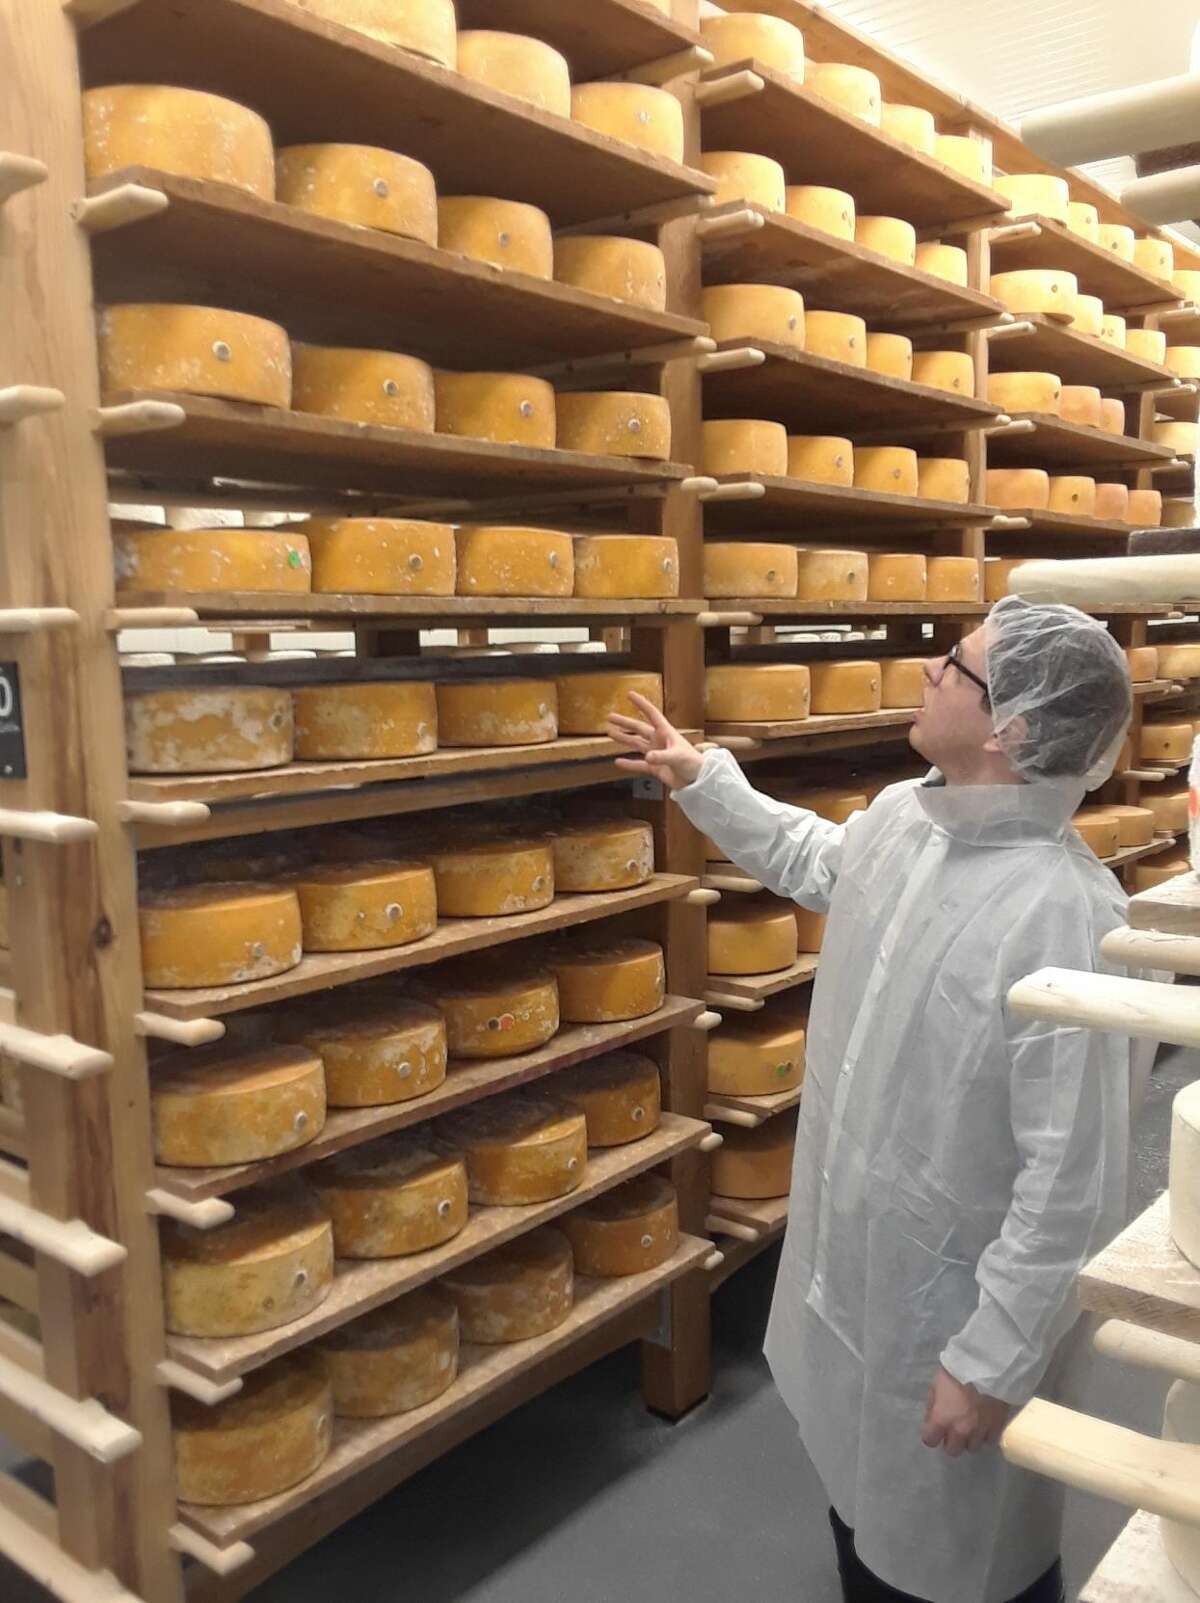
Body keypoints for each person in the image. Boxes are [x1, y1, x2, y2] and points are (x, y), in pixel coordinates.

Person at [607, 596, 1144, 1603]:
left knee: (961, 1561)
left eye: (955, 663)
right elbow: (817, 858)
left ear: (1011, 727)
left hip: (953, 1320)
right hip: (862, 1280)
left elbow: (1070, 1186)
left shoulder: (1066, 918)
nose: (930, 670)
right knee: (861, 1511)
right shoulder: (910, 819)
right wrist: (704, 779)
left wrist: (990, 1362)